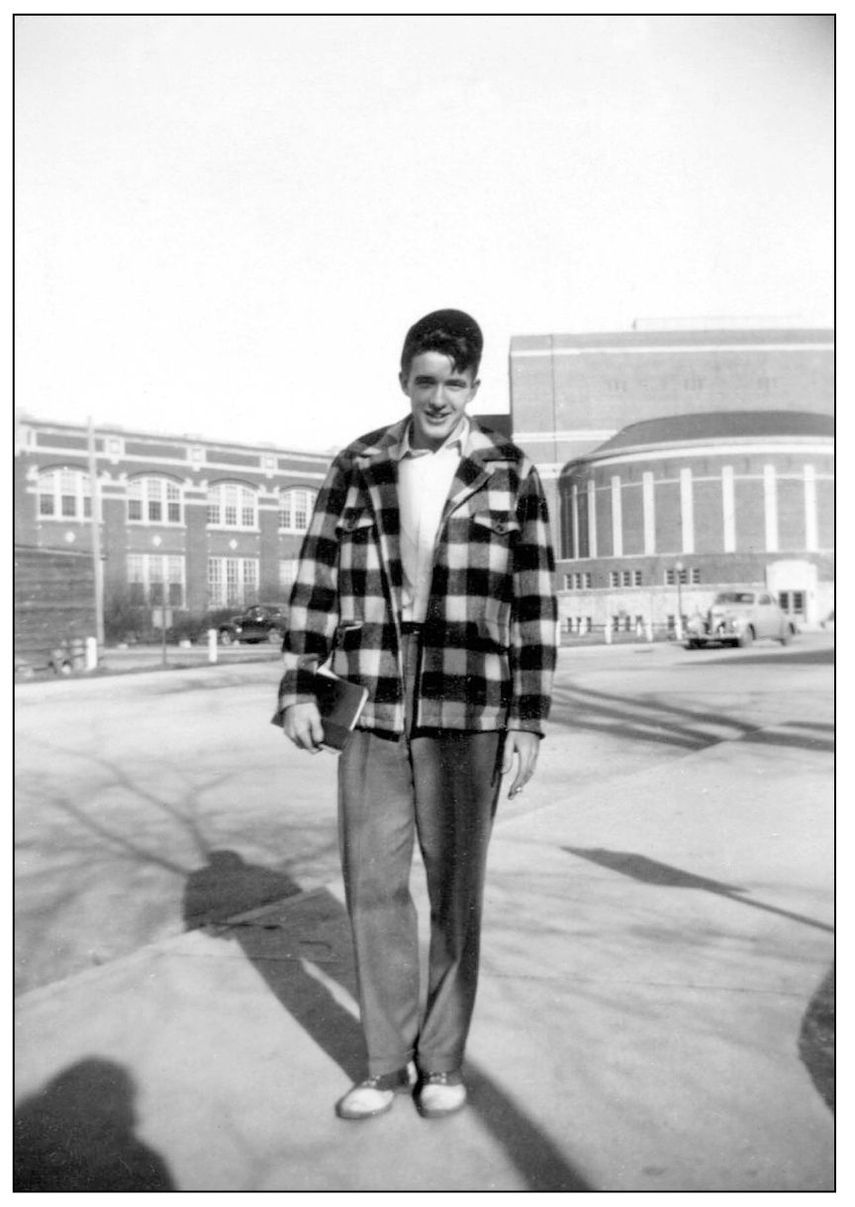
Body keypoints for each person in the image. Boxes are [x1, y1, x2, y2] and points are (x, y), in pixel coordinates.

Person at [275, 309, 557, 1121]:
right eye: (425, 380)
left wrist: (528, 719)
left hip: (469, 711)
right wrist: (298, 684)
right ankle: (381, 1064)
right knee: (372, 887)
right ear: (404, 379)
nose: (438, 397)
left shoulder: (509, 471)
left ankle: (440, 1061)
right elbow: (315, 579)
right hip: (370, 705)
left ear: (474, 386)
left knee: (454, 894)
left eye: (455, 382)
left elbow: (533, 605)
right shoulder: (358, 464)